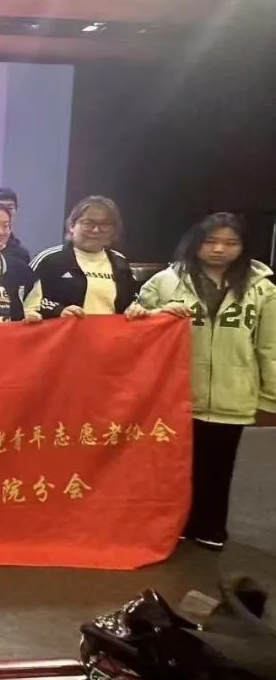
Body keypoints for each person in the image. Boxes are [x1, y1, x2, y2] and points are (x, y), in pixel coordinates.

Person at [138, 213, 276, 550]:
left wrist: (270, 397)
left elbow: (270, 346)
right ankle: (177, 523)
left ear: (243, 247)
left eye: (230, 243)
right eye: (210, 241)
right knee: (177, 464)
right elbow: (137, 323)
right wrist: (154, 314)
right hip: (180, 394)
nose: (219, 249)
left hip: (234, 393)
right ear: (195, 242)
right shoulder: (167, 281)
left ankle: (211, 526)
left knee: (219, 464)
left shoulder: (263, 287)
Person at [25, 196, 142, 320]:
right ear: (72, 226)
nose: (96, 230)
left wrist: (134, 309)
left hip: (109, 332)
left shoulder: (120, 263)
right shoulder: (49, 259)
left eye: (105, 225)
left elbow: (133, 300)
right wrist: (59, 310)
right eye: (88, 223)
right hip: (64, 331)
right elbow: (24, 300)